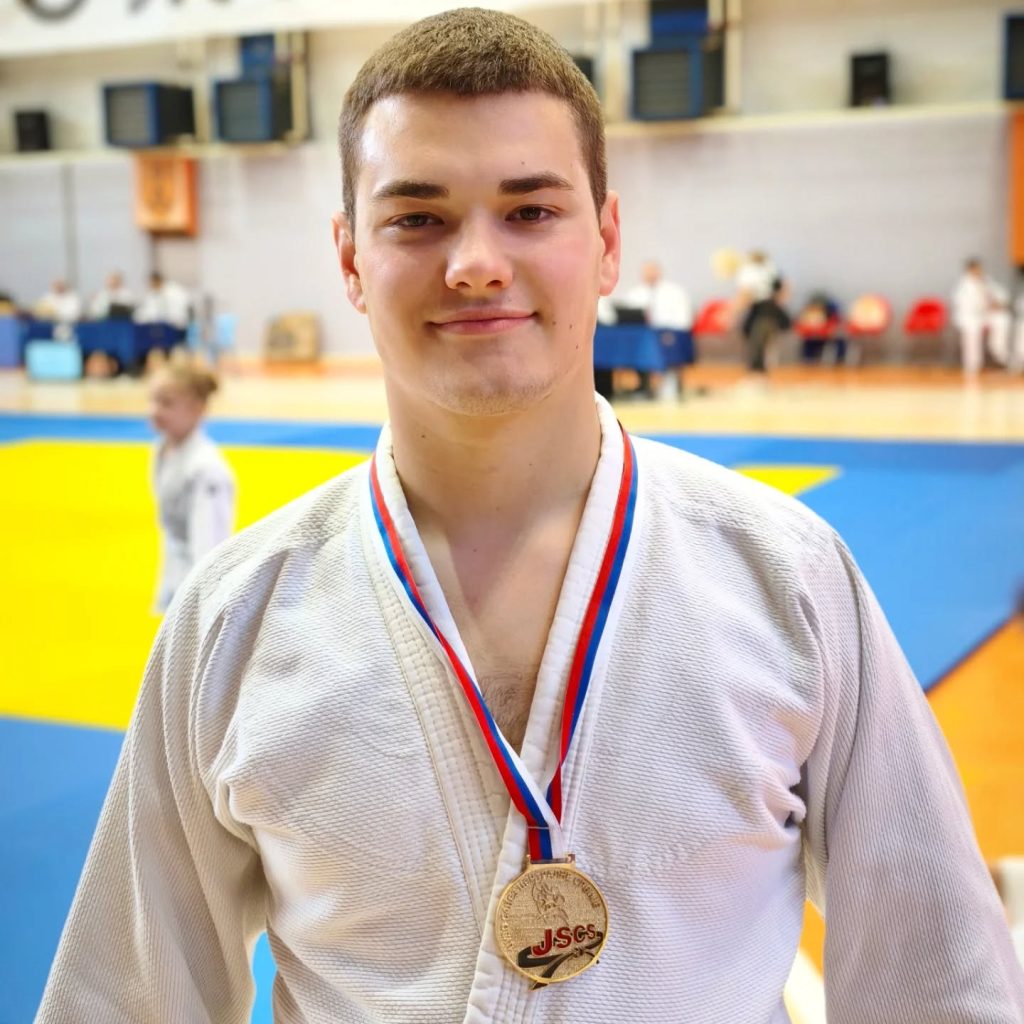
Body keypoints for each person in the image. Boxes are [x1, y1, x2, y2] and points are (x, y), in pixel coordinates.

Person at [37, 9, 1024, 1023]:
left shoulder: (789, 579)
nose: (475, 261)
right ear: (349, 258)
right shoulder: (231, 621)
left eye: (530, 210)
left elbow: (940, 983)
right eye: (416, 218)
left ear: (606, 241)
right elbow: (125, 1001)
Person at [148, 359, 235, 612]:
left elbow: (209, 546)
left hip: (197, 588)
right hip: (173, 575)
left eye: (166, 403)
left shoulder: (207, 470)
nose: (153, 411)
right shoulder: (162, 450)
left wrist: (199, 606)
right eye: (152, 400)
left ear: (197, 408)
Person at [624, 259, 693, 397]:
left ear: (659, 272)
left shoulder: (674, 292)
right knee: (635, 343)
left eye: (652, 271)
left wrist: (668, 331)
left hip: (669, 332)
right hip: (644, 334)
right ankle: (642, 386)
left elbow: (684, 319)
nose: (650, 274)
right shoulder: (634, 294)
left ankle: (670, 383)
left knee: (666, 342)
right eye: (647, 272)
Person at [953, 258, 1015, 375]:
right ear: (969, 270)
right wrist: (987, 306)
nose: (978, 271)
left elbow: (1001, 295)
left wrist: (999, 303)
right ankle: (972, 366)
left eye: (979, 269)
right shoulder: (964, 286)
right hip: (971, 317)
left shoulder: (987, 280)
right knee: (972, 332)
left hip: (988, 315)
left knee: (1003, 319)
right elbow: (966, 306)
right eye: (975, 269)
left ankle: (1003, 355)